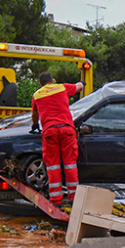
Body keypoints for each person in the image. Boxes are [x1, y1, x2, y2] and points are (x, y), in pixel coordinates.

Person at [31, 72, 84, 205]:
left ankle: (55, 199)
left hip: (49, 131)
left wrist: (34, 125)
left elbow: (35, 114)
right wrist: (81, 83)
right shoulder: (62, 87)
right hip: (67, 130)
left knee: (53, 165)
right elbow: (78, 87)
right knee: (70, 164)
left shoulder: (37, 95)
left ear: (40, 84)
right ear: (52, 81)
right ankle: (74, 198)